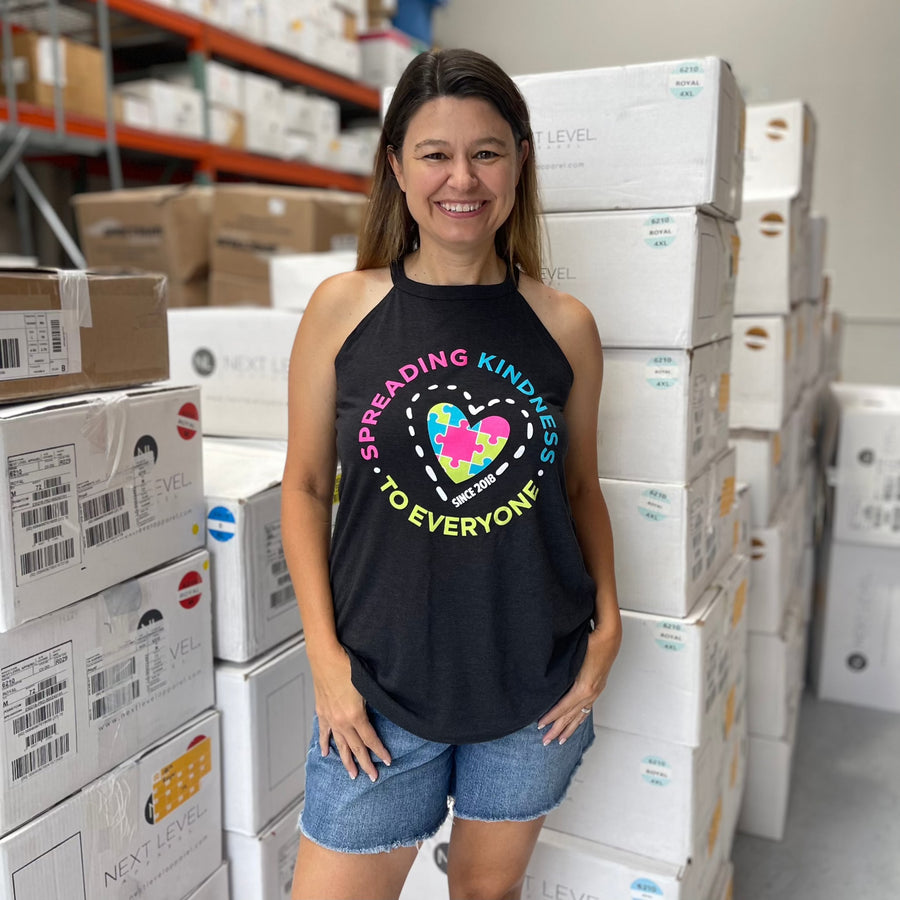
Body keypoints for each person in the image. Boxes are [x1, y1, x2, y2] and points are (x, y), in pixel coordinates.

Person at [281, 47, 621, 900]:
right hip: (378, 692)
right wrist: (324, 661)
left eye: (488, 151)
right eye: (435, 153)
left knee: (484, 895)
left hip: (531, 688)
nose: (461, 178)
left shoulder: (566, 325)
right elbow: (304, 488)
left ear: (518, 162)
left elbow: (579, 489)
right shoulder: (342, 308)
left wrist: (608, 628)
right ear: (396, 166)